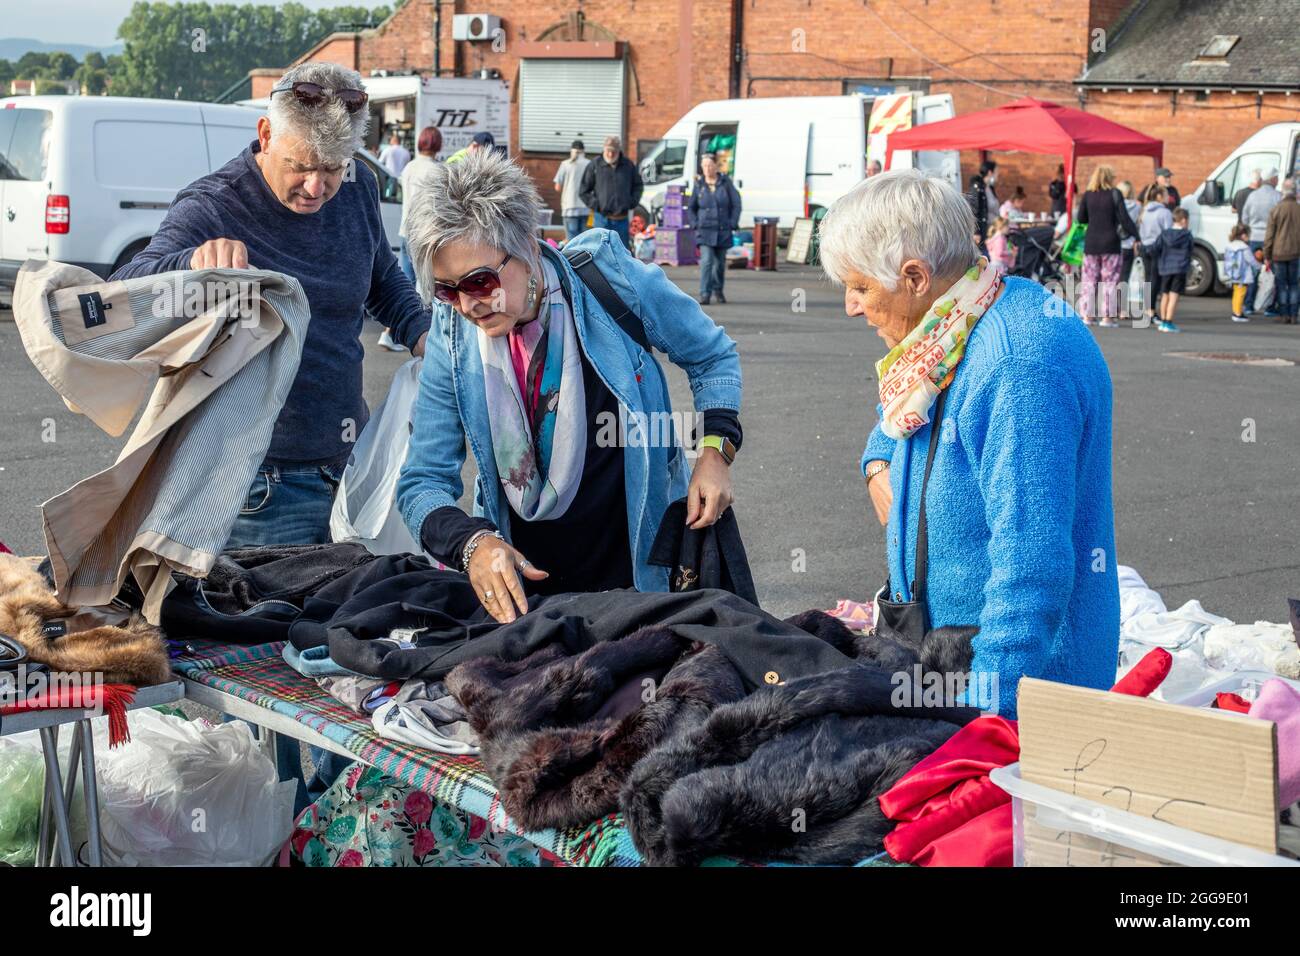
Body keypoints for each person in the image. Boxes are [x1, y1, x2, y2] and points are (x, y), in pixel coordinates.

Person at [111, 61, 431, 813]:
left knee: (345, 660)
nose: (317, 186)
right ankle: (283, 822)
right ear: (264, 136)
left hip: (346, 468)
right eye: (300, 167)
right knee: (279, 682)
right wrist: (192, 262)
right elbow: (133, 280)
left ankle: (323, 821)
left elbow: (382, 275)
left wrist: (421, 330)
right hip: (261, 481)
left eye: (332, 168)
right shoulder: (217, 204)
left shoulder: (353, 190)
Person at [821, 168, 1118, 719]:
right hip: (942, 656)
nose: (851, 306)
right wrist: (876, 461)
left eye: (860, 287)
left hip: (1017, 690)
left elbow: (1032, 564)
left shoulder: (1018, 364)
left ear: (914, 276)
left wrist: (982, 721)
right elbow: (899, 414)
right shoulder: (957, 319)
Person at [398, 150, 743, 619]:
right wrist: (472, 544)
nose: (466, 304)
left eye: (479, 282)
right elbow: (422, 481)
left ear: (526, 245)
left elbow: (712, 355)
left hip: (639, 573)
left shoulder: (607, 277)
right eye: (445, 288)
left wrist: (714, 455)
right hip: (531, 597)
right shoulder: (451, 331)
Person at [377, 125, 444, 351]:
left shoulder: (409, 168)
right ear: (438, 145)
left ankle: (391, 333)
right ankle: (399, 335)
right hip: (425, 234)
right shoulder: (437, 171)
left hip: (406, 230)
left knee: (404, 283)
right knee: (422, 287)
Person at [1075, 164, 1138, 327]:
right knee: (1110, 281)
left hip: (1091, 243)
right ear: (1110, 178)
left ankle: (1087, 316)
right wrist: (1136, 236)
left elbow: (1081, 218)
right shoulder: (1115, 194)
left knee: (1089, 280)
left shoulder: (1088, 195)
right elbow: (1124, 218)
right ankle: (1107, 317)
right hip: (1111, 243)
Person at [688, 151, 742, 305]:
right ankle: (705, 293)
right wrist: (695, 223)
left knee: (719, 264)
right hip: (704, 230)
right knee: (707, 261)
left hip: (723, 229)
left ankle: (718, 290)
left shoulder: (726, 183)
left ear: (716, 166)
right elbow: (691, 207)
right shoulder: (699, 185)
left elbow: (736, 203)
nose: (707, 168)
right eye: (704, 166)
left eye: (709, 165)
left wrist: (732, 222)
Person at [579, 135, 643, 250]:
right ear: (604, 149)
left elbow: (638, 185)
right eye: (608, 151)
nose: (610, 154)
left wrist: (631, 202)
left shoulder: (628, 165)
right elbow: (583, 191)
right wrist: (597, 205)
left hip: (621, 220)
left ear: (619, 151)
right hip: (600, 219)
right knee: (599, 252)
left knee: (622, 252)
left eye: (613, 151)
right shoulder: (595, 165)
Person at [1147, 206, 1193, 333]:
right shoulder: (1187, 235)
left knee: (1165, 295)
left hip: (1165, 267)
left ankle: (1162, 321)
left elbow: (1156, 248)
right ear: (1183, 220)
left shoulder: (1164, 234)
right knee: (1174, 295)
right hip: (1179, 268)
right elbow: (1190, 250)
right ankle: (1168, 321)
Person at [1263, 176, 1300, 324]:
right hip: (1296, 253)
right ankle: (1293, 315)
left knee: (1281, 285)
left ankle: (1284, 315)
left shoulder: (1276, 210)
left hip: (1278, 253)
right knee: (1294, 284)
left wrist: (1267, 254)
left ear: (1283, 193)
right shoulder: (1298, 209)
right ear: (1295, 192)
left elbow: (1269, 235)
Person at [1136, 185, 1172, 324]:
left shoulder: (1144, 210)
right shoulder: (1165, 213)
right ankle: (1151, 311)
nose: (1168, 197)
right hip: (1158, 248)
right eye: (1166, 194)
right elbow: (1168, 233)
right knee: (1155, 280)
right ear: (1159, 196)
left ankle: (1147, 309)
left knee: (1148, 279)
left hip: (1145, 246)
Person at [553, 139, 591, 242]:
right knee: (585, 240)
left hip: (569, 208)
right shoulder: (590, 164)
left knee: (572, 241)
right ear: (584, 151)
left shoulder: (565, 164)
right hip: (586, 208)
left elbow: (557, 187)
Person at [1224, 223, 1258, 323]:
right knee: (1241, 294)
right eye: (1248, 235)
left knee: (1236, 293)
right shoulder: (1244, 248)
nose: (1249, 237)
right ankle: (1237, 314)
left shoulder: (1230, 246)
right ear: (1243, 236)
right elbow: (1251, 261)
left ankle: (1236, 311)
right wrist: (1259, 266)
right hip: (1243, 275)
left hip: (1233, 273)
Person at [1118, 180, 1141, 301]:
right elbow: (1137, 224)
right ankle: (1122, 309)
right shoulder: (1137, 206)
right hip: (1130, 243)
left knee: (1112, 277)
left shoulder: (1114, 205)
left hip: (1115, 244)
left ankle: (1111, 306)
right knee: (1125, 276)